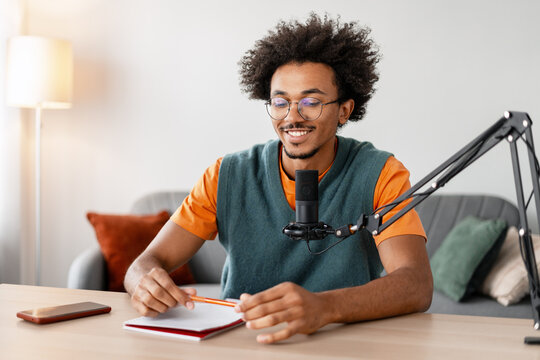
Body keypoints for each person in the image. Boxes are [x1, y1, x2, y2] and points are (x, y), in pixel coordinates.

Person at [124, 14, 433, 344]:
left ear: (344, 110)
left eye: (311, 102)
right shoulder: (226, 175)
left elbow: (416, 284)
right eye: (281, 102)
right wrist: (143, 281)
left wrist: (324, 307)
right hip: (241, 342)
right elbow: (143, 265)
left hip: (345, 342)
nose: (293, 116)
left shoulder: (380, 173)